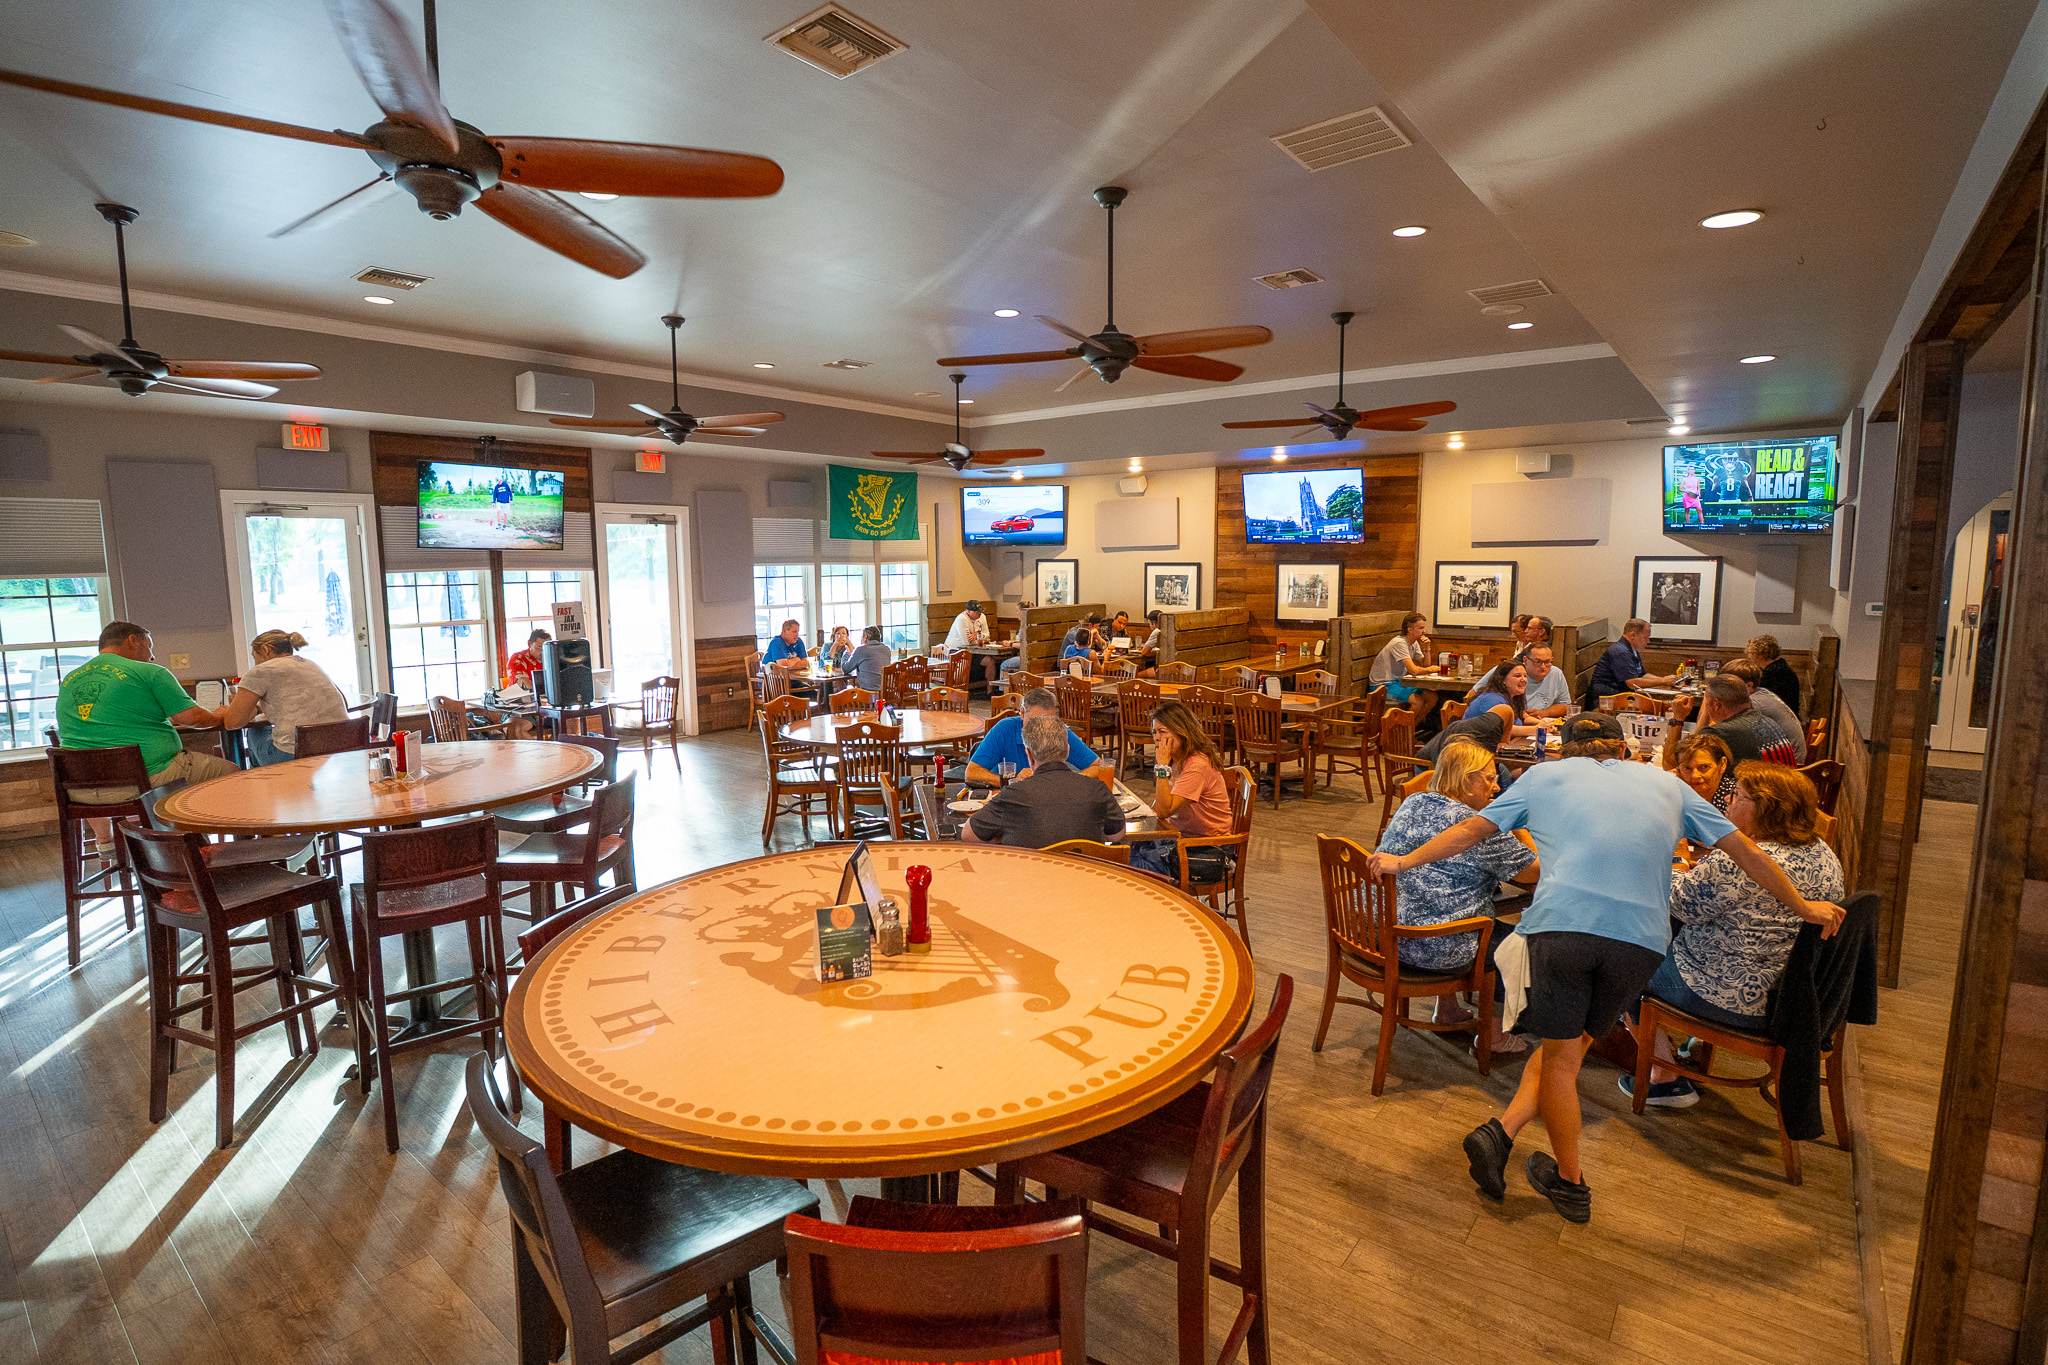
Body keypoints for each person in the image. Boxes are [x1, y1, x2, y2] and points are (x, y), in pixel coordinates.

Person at [1367, 712, 1842, 1223]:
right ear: (1622, 751)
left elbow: (1467, 832)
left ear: (1565, 751)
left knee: (1561, 1061)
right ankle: (1504, 1139)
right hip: (1638, 946)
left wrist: (1402, 861)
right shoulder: (1666, 784)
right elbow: (1747, 852)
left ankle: (1568, 1181)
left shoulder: (1542, 776)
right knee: (1564, 1054)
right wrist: (1803, 906)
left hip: (1562, 931)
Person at [1625, 764, 1846, 1106]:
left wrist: (1671, 863)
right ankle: (1682, 1047)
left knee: (1623, 965)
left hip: (1732, 998)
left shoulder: (1738, 863)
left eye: (1737, 795)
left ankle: (1665, 1077)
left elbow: (1680, 904)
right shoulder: (1823, 853)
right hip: (1791, 997)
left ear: (1766, 806)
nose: (1727, 800)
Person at [1376, 739, 1540, 1054]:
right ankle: (1492, 1034)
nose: (1496, 787)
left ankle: (1448, 1008)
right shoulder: (1476, 828)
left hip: (1384, 934)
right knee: (1518, 945)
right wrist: (1513, 821)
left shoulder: (1416, 801)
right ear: (1466, 780)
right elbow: (1533, 872)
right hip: (1433, 948)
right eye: (1490, 779)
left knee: (1447, 898)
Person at [56, 621, 240, 798]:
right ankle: (198, 826)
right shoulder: (150, 672)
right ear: (132, 641)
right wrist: (220, 714)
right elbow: (193, 718)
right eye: (149, 647)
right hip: (140, 781)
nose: (152, 656)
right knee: (234, 773)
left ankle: (103, 832)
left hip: (79, 787)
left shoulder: (69, 679)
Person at [963, 714, 1124, 848]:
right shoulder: (1097, 789)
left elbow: (968, 835)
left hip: (1029, 881)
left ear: (1029, 755)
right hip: (1087, 881)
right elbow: (1117, 835)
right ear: (1067, 751)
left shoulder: (1013, 794)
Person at [210, 630, 350, 766]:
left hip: (297, 756)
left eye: (255, 657)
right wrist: (259, 708)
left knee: (254, 732)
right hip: (342, 749)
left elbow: (232, 723)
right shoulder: (311, 665)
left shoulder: (261, 671)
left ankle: (263, 784)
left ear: (265, 650)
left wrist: (241, 709)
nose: (255, 662)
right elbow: (344, 702)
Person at [1129, 701, 1232, 881]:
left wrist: (1161, 766)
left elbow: (1163, 810)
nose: (1157, 739)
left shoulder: (1196, 766)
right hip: (1182, 839)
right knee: (1122, 847)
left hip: (1206, 850)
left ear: (1181, 732)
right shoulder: (1178, 761)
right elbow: (1159, 809)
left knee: (1129, 863)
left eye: (1163, 732)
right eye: (1154, 732)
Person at [965, 686, 1115, 787]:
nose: (1042, 728)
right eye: (1035, 721)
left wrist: (1067, 780)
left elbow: (1099, 767)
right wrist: (1013, 780)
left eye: (1048, 721)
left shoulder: (1058, 731)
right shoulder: (1004, 729)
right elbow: (972, 773)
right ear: (1022, 713)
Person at [1686, 674, 1796, 765]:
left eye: (1706, 700)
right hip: (1784, 787)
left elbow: (1686, 760)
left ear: (1716, 703)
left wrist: (1677, 719)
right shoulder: (1767, 720)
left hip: (1759, 790)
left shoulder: (1720, 733)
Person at [1720, 657, 1805, 761]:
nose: (1725, 690)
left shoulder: (1755, 703)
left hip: (1788, 766)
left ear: (1749, 686)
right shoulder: (1763, 693)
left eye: (1730, 686)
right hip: (1790, 758)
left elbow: (1726, 730)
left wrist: (1708, 701)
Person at [1588, 619, 1678, 703]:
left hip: (1620, 699)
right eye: (1645, 638)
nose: (1648, 641)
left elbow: (1642, 675)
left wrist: (1668, 681)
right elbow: (1632, 683)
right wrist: (1663, 681)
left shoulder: (1632, 650)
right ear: (1633, 635)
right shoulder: (1620, 652)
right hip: (1606, 702)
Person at [1369, 612, 1443, 705]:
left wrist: (1427, 648)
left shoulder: (1414, 642)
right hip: (1382, 686)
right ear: (1410, 630)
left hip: (1399, 683)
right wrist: (1430, 669)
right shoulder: (1399, 643)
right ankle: (1408, 720)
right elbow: (1414, 670)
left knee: (1432, 697)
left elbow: (1425, 665)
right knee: (1417, 701)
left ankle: (1414, 720)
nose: (1424, 631)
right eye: (1421, 628)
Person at [1463, 659, 1537, 738]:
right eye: (1517, 676)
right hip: (1471, 745)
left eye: (1525, 676)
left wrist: (1542, 723)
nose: (1524, 680)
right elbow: (1503, 730)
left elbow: (1523, 716)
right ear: (1503, 680)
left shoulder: (1513, 697)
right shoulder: (1492, 699)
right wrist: (1537, 729)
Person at [1669, 731, 1738, 811]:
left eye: (1704, 767)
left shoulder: (1735, 800)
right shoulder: (1674, 794)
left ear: (1722, 765)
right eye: (1687, 768)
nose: (1694, 775)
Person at [1745, 634, 1803, 716]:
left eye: (1751, 653)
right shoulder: (1780, 667)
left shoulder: (1773, 673)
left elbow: (1756, 698)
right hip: (1787, 715)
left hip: (1781, 719)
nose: (1749, 657)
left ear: (1759, 654)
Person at [1520, 644, 1572, 718]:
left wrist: (1545, 713)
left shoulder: (1556, 673)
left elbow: (1566, 706)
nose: (1543, 666)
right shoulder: (1515, 674)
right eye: (1538, 662)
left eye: (1547, 662)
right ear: (1525, 660)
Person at [846, 625, 893, 694]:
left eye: (861, 637)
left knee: (847, 691)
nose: (861, 640)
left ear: (865, 637)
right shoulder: (886, 649)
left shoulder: (861, 650)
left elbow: (846, 669)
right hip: (886, 693)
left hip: (868, 694)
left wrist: (846, 653)